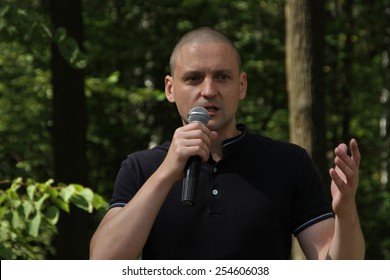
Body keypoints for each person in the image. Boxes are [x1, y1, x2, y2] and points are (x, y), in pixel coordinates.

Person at [89, 27, 365, 260]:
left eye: (222, 77)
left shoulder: (288, 163)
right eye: (194, 78)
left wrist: (346, 212)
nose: (209, 91)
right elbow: (102, 261)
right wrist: (166, 172)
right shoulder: (141, 167)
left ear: (241, 86)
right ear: (170, 89)